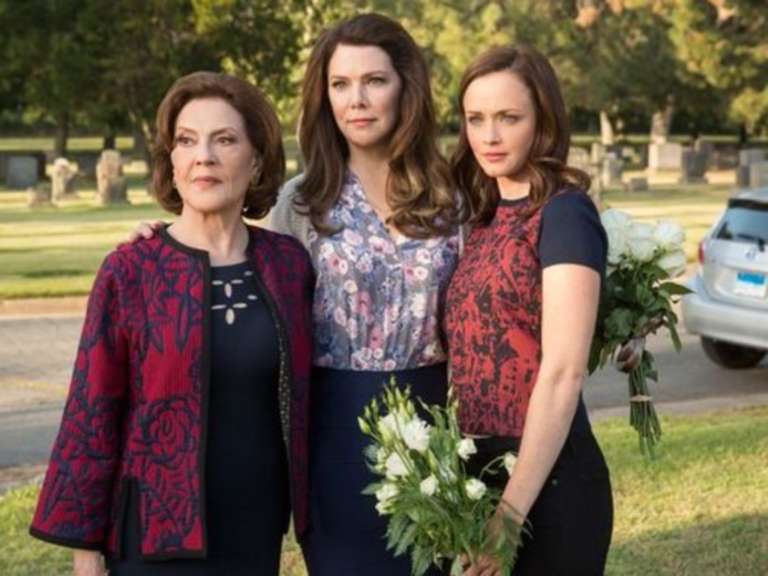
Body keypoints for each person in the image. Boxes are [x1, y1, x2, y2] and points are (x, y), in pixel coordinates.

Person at [29, 72, 314, 576]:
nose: (203, 156)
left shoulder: (289, 265)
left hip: (254, 531)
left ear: (256, 159)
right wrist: (85, 553)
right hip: (152, 536)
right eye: (187, 140)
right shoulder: (131, 270)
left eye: (224, 140)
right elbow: (91, 412)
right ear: (172, 162)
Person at [270, 13, 460, 576]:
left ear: (406, 87)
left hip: (438, 432)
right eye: (340, 84)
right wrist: (157, 241)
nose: (356, 99)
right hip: (333, 437)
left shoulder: (454, 197)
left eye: (374, 81)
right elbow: (252, 293)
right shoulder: (300, 202)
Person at [444, 46, 614, 575]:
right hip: (479, 477)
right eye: (476, 119)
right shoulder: (483, 218)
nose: (489, 136)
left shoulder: (565, 213)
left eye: (509, 118)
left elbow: (563, 372)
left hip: (549, 484)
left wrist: (510, 515)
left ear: (543, 120)